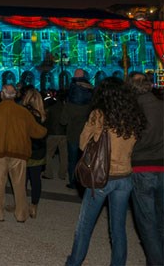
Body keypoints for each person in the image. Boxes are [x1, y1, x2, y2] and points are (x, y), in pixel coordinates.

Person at [66, 77, 146, 266]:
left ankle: (74, 262)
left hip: (102, 177)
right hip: (125, 177)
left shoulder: (99, 115)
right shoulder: (133, 115)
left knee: (85, 226)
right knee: (118, 229)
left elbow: (82, 143)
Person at [0, 84, 47, 223]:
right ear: (15, 95)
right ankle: (21, 215)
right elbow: (37, 132)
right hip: (18, 152)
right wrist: (45, 129)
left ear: (2, 94)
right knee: (19, 186)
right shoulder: (23, 112)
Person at [128, 72, 163, 266]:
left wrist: (130, 151)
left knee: (147, 222)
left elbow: (135, 140)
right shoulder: (161, 105)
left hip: (142, 167)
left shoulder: (134, 110)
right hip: (162, 166)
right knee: (161, 219)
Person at [62, 69, 93, 189]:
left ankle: (73, 182)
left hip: (73, 136)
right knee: (86, 160)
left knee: (73, 161)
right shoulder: (90, 104)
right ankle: (86, 181)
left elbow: (63, 121)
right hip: (88, 135)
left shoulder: (70, 105)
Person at [21, 87, 47, 219]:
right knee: (36, 179)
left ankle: (21, 204)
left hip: (25, 149)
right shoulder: (43, 115)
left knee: (22, 179)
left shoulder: (24, 113)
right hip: (39, 150)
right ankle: (34, 205)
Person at [42, 91, 68, 180]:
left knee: (49, 154)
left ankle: (48, 173)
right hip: (63, 134)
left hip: (52, 133)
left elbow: (46, 121)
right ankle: (62, 174)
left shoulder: (50, 108)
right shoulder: (66, 108)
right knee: (64, 155)